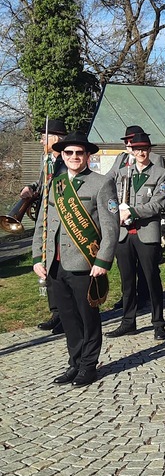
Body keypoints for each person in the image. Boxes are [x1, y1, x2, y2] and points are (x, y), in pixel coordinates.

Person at [31, 131, 119, 386]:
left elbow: (111, 227)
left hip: (84, 263)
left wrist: (102, 261)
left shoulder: (101, 183)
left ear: (87, 155)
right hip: (55, 264)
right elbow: (43, 224)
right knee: (68, 318)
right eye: (69, 152)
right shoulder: (55, 183)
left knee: (87, 318)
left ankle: (88, 366)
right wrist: (37, 257)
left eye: (79, 152)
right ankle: (75, 362)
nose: (74, 156)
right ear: (63, 155)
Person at [109, 132, 165, 341]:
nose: (141, 153)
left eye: (144, 149)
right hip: (124, 234)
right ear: (132, 151)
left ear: (149, 150)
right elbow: (109, 196)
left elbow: (158, 204)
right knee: (127, 281)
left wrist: (132, 212)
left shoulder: (161, 173)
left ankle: (158, 323)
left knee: (152, 279)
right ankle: (128, 321)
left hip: (147, 234)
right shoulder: (121, 173)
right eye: (137, 149)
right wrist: (115, 212)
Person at [22, 118, 67, 334]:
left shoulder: (67, 160)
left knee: (61, 267)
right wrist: (30, 187)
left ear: (56, 139)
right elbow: (42, 183)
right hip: (45, 219)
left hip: (60, 219)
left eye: (44, 137)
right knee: (48, 265)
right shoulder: (46, 159)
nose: (41, 141)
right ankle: (56, 312)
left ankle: (66, 315)